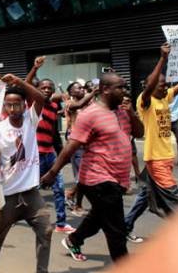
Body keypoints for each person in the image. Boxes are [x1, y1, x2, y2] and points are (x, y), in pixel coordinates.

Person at [41, 72, 144, 262]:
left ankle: (74, 239)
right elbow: (71, 147)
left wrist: (131, 112)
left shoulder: (123, 111)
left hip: (118, 178)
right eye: (120, 87)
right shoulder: (89, 115)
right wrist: (52, 173)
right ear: (105, 90)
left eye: (125, 87)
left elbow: (139, 132)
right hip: (98, 179)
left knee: (98, 218)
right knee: (116, 230)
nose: (125, 91)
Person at [124, 43, 178, 242]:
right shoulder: (144, 101)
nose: (165, 88)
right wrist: (162, 58)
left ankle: (125, 226)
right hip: (157, 160)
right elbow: (152, 86)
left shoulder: (164, 97)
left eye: (165, 86)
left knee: (145, 196)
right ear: (151, 86)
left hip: (164, 158)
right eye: (161, 85)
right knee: (176, 201)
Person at [0, 74, 51, 273]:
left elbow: (40, 98)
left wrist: (17, 80)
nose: (13, 109)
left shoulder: (31, 120)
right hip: (8, 194)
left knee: (46, 230)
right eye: (9, 105)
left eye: (17, 104)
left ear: (24, 105)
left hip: (31, 193)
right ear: (4, 106)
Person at [25, 56, 74, 233]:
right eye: (43, 87)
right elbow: (27, 83)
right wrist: (35, 68)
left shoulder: (53, 106)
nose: (46, 90)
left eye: (49, 88)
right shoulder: (33, 103)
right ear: (36, 90)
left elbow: (53, 132)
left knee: (59, 188)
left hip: (50, 154)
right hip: (34, 155)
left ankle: (61, 223)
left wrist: (60, 150)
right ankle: (18, 214)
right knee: (29, 189)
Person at [64, 81, 98, 216]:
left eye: (82, 88)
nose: (82, 90)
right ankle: (75, 202)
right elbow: (79, 104)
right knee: (82, 177)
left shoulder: (88, 105)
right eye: (78, 88)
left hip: (88, 144)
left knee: (86, 176)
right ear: (71, 93)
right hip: (77, 145)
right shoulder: (70, 104)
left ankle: (72, 195)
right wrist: (93, 93)